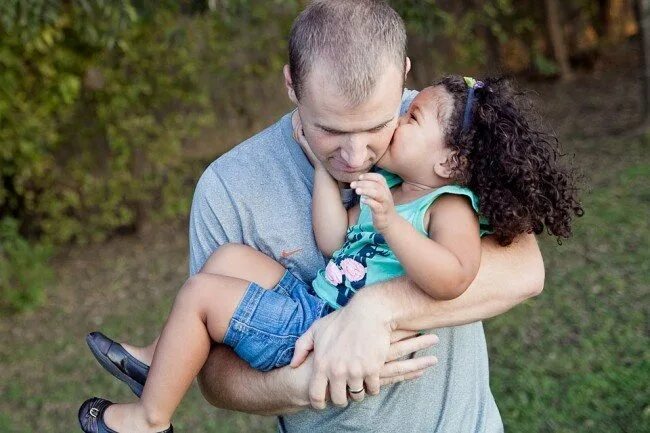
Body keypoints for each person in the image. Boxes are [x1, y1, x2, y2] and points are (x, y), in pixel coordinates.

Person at [80, 2, 550, 432]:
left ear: (403, 76)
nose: (354, 154)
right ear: (291, 85)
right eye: (330, 130)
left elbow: (524, 271)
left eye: (377, 126)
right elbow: (215, 375)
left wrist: (377, 309)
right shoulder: (227, 187)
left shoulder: (435, 131)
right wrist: (301, 385)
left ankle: (148, 421)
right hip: (311, 322)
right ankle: (154, 365)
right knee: (226, 259)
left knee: (202, 293)